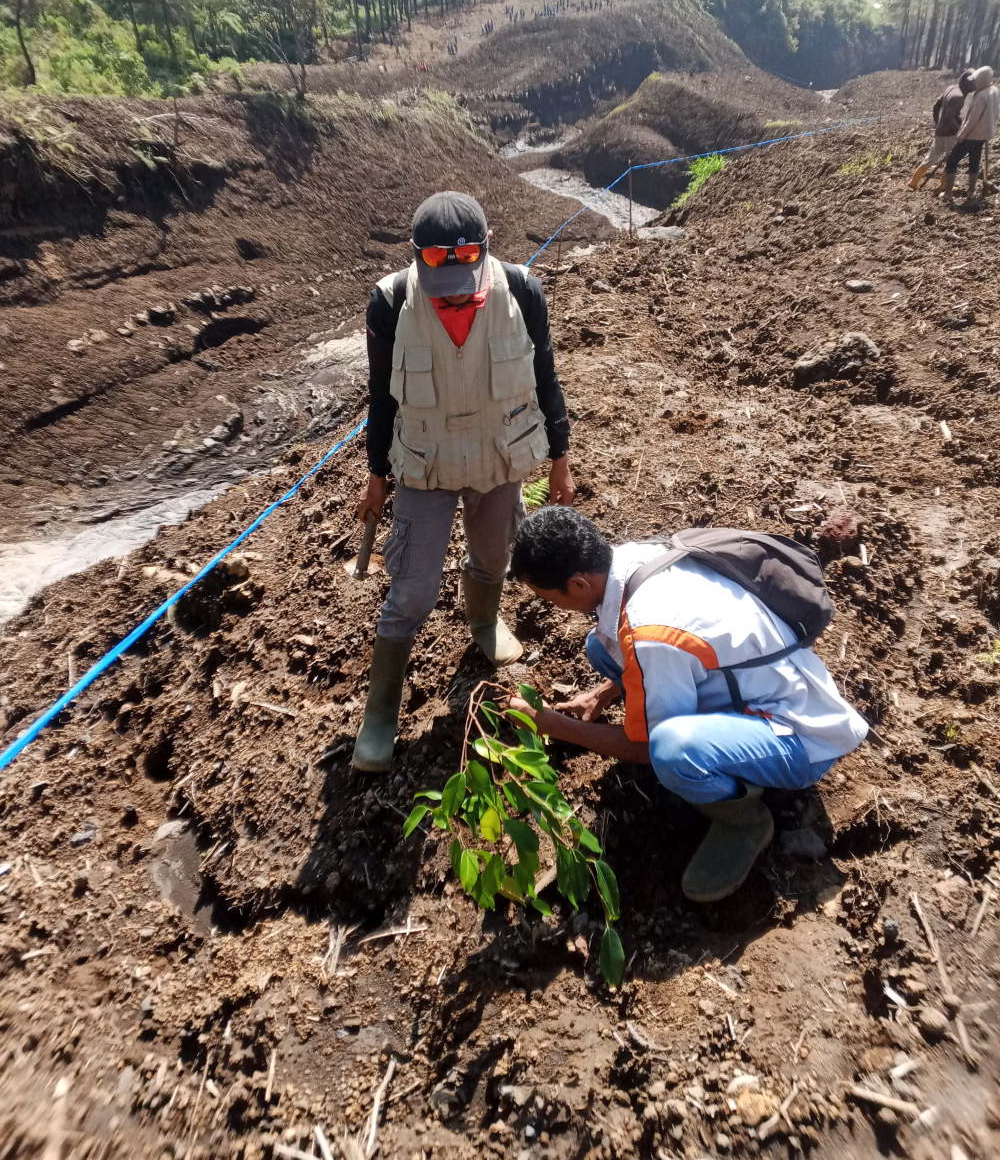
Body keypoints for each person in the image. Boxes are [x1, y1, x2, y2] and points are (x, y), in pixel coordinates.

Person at [507, 508, 868, 902]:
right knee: (601, 646)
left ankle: (744, 821)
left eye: (547, 598)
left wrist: (553, 724)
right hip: (776, 678)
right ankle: (704, 733)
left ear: (578, 584)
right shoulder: (636, 556)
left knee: (671, 750)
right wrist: (605, 692)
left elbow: (645, 748)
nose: (549, 607)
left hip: (799, 734)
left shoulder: (649, 630)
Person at [352, 192, 576, 773]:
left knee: (493, 556)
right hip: (424, 466)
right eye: (439, 276)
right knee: (411, 586)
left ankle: (482, 619)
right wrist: (376, 476)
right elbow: (381, 399)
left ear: (486, 249)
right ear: (417, 259)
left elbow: (545, 373)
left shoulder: (522, 290)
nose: (452, 289)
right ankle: (380, 715)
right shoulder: (390, 301)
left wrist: (560, 458)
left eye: (463, 276)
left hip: (499, 458)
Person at [909, 69, 973, 190]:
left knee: (931, 157)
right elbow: (949, 117)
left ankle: (914, 181)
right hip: (950, 133)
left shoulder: (951, 89)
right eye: (973, 84)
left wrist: (937, 123)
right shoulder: (958, 96)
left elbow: (936, 105)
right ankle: (944, 184)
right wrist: (960, 131)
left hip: (940, 131)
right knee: (951, 159)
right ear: (967, 84)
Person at [943, 66, 999, 203]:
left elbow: (972, 120)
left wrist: (962, 134)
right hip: (984, 135)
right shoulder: (994, 91)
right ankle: (971, 193)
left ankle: (948, 193)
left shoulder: (981, 96)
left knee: (952, 161)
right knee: (974, 162)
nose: (974, 84)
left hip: (971, 135)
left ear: (982, 80)